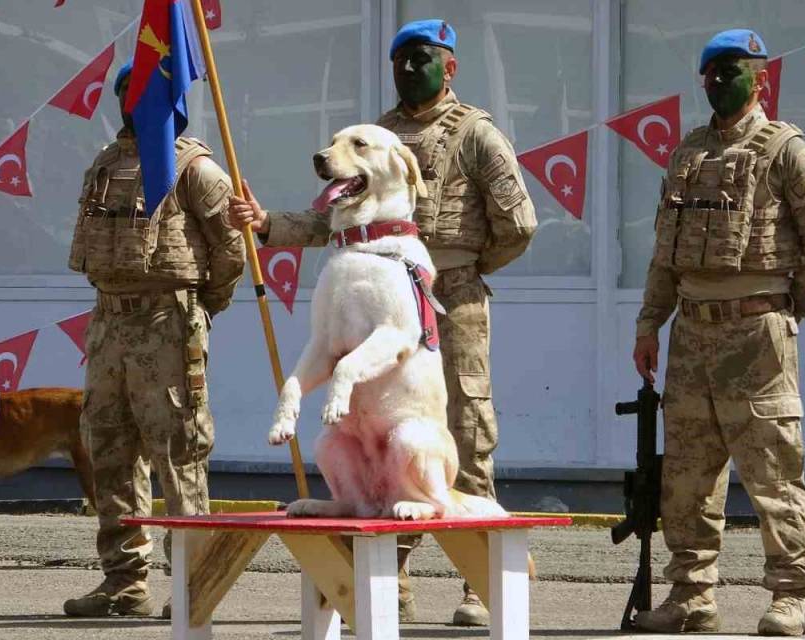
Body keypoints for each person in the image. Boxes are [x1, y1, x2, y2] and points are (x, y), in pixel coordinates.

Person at [227, 19, 537, 625]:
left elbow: (518, 223)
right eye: (401, 60)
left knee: (463, 428)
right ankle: (384, 580)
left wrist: (459, 268)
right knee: (374, 428)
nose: (410, 69)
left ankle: (482, 583)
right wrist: (268, 225)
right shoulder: (373, 136)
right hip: (373, 284)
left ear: (449, 66)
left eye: (423, 58)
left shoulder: (476, 134)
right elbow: (336, 220)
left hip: (447, 298)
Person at [630, 29, 805, 636]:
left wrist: (789, 306)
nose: (721, 81)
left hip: (756, 335)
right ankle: (691, 595)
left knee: (773, 469)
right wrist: (649, 324)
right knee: (686, 476)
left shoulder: (786, 151)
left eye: (734, 70)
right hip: (690, 334)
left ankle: (791, 595)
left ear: (761, 79)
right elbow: (664, 253)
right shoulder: (687, 154)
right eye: (713, 72)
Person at [62, 60, 244, 617]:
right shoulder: (104, 164)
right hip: (108, 324)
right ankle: (124, 581)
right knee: (109, 448)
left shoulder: (195, 169)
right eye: (125, 91)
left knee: (178, 452)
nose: (132, 101)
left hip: (167, 324)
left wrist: (198, 309)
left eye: (144, 91)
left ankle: (191, 584)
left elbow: (230, 251)